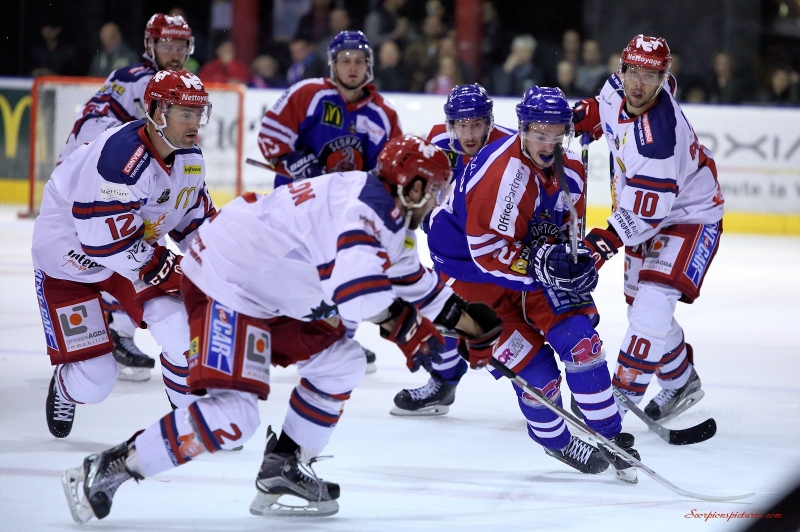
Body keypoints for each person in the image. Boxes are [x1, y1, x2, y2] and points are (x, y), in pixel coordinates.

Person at [60, 135, 502, 523]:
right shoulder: (364, 211)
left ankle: (283, 469)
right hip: (227, 284)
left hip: (270, 292)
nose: (438, 200)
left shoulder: (390, 211)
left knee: (342, 363)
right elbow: (359, 296)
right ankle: (111, 467)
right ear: (417, 185)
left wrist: (470, 325)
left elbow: (411, 278)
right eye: (437, 190)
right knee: (235, 415)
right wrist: (408, 329)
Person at [411, 86, 640, 480]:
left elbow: (566, 232)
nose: (547, 143)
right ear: (521, 129)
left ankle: (609, 435)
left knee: (581, 344)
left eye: (556, 134)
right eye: (538, 133)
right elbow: (485, 252)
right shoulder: (501, 175)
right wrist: (542, 261)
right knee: (540, 383)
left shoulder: (571, 171)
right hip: (472, 279)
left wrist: (579, 258)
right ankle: (558, 442)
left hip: (527, 270)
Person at [33, 71, 217, 441]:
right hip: (70, 262)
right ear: (157, 111)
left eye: (199, 114)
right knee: (96, 382)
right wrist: (160, 266)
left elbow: (194, 221)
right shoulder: (119, 158)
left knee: (182, 328)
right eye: (185, 113)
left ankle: (190, 421)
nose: (195, 124)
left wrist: (226, 258)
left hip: (129, 256)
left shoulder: (189, 160)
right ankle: (67, 386)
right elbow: (100, 242)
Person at [572, 34, 724, 422]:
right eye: (632, 71)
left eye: (651, 75)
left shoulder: (659, 138)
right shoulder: (616, 88)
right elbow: (604, 107)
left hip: (688, 215)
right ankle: (679, 380)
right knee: (640, 305)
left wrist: (600, 243)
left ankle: (620, 397)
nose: (638, 83)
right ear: (620, 69)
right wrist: (588, 114)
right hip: (644, 209)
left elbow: (643, 216)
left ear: (663, 77)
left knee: (653, 304)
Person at [56, 14, 197, 384]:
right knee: (124, 250)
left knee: (142, 245)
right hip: (101, 182)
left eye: (182, 46)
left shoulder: (178, 85)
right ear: (151, 45)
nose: (176, 53)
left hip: (135, 183)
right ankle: (105, 333)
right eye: (168, 45)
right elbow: (97, 125)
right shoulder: (132, 79)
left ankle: (117, 330)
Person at [257, 30, 403, 372]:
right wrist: (291, 160)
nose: (352, 68)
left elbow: (391, 169)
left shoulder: (383, 114)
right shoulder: (309, 94)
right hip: (297, 205)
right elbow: (270, 135)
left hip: (344, 213)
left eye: (359, 61)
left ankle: (335, 337)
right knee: (288, 272)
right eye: (345, 61)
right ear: (332, 64)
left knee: (342, 273)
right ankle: (264, 335)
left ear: (368, 66)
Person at [391, 83, 514, 416]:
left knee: (511, 328)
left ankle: (540, 388)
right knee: (441, 314)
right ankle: (444, 382)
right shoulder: (438, 144)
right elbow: (424, 190)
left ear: (489, 122)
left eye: (476, 124)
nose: (468, 133)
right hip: (452, 257)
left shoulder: (510, 147)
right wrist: (432, 219)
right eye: (461, 124)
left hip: (498, 259)